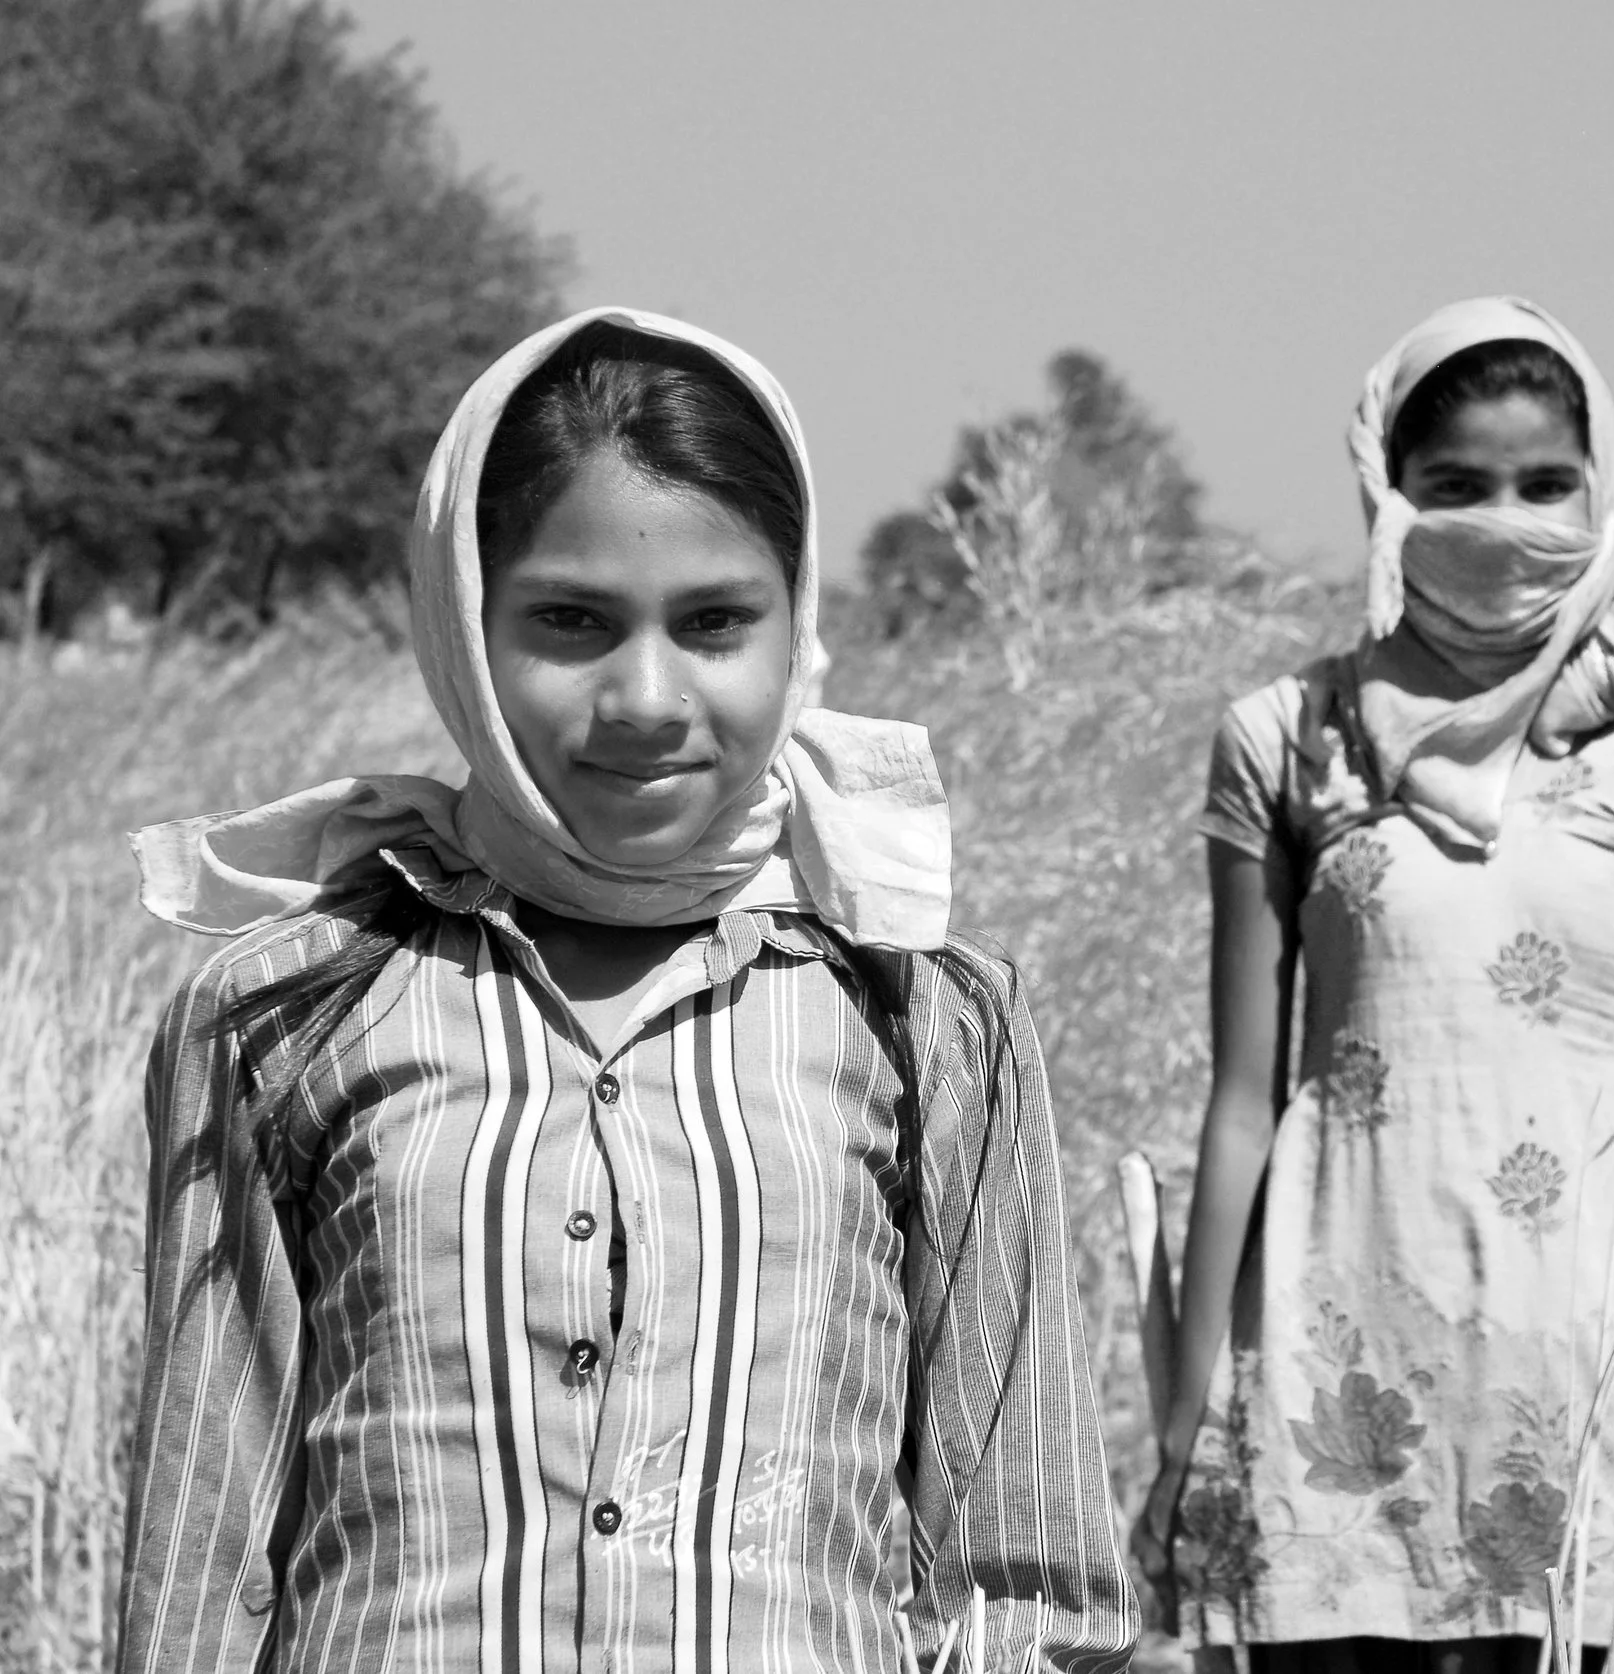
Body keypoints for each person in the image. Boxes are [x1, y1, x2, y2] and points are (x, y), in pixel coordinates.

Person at [119, 308, 1137, 1674]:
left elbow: (1024, 1581)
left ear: (797, 624)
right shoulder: (284, 1010)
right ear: (464, 625)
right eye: (570, 622)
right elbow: (204, 1548)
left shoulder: (927, 1017)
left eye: (715, 621)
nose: (647, 695)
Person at [1133, 298, 1614, 1673]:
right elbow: (1243, 1098)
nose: (1507, 519)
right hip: (1337, 1346)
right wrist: (1190, 1417)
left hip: (1594, 1350)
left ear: (1602, 490)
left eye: (1549, 484)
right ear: (1387, 494)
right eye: (1458, 486)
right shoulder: (1287, 735)